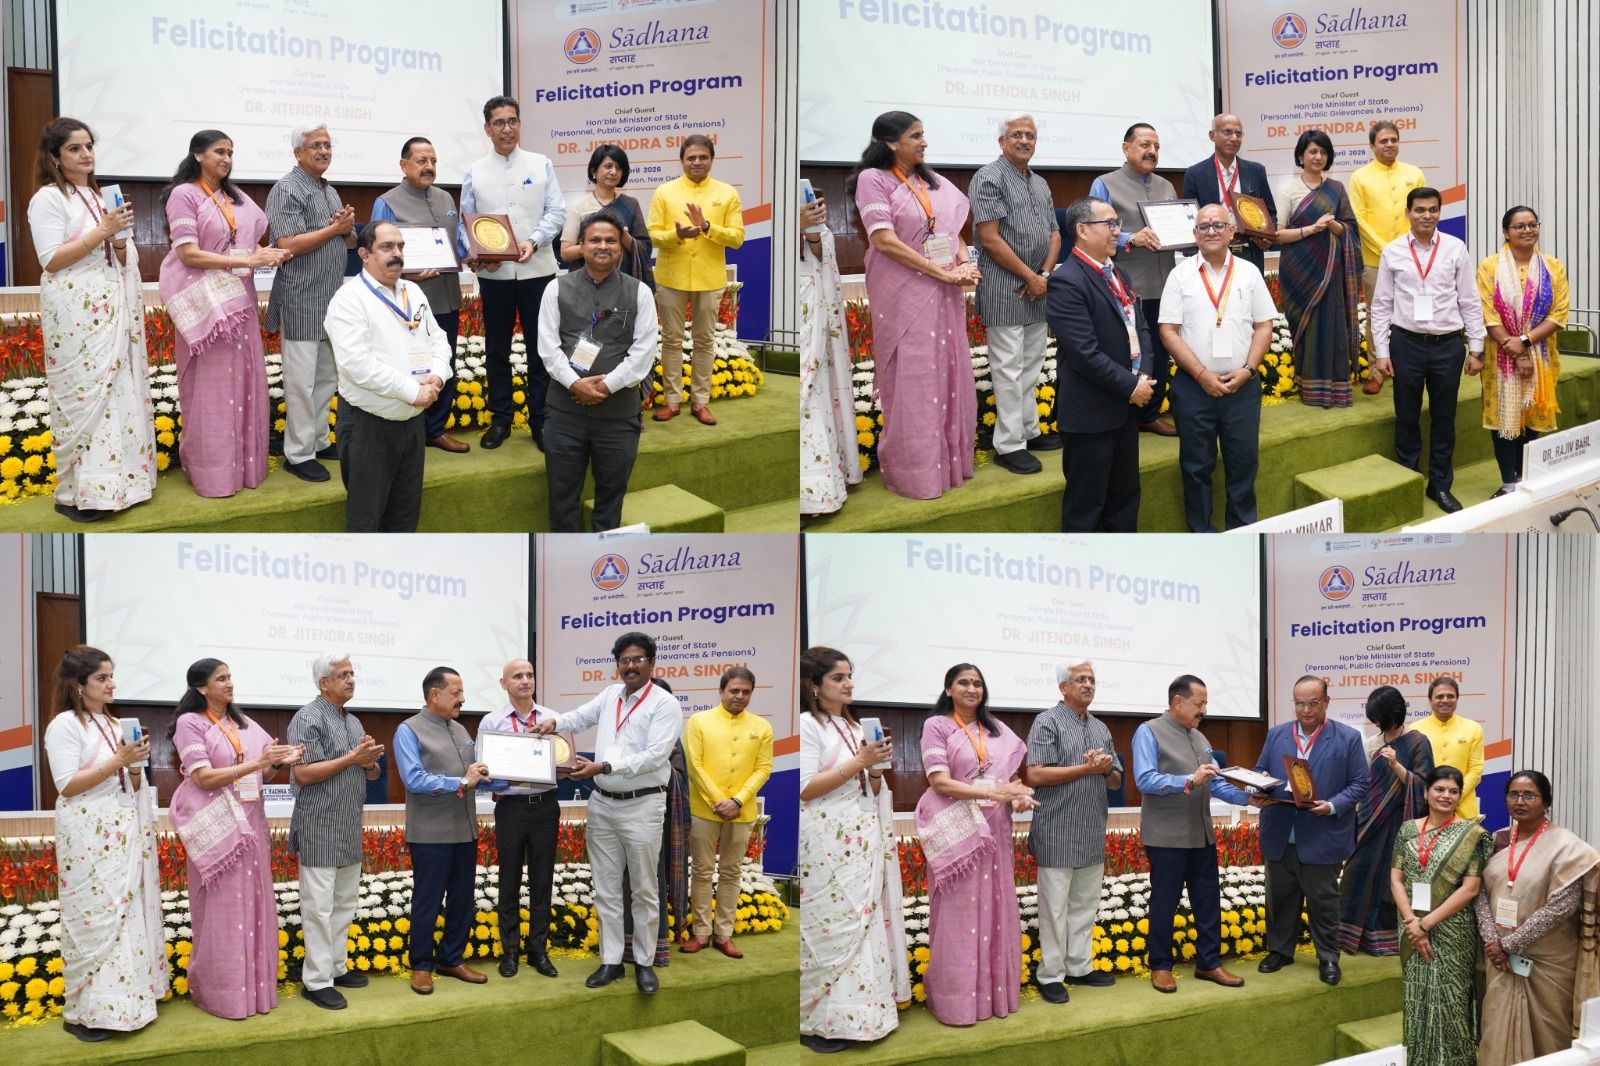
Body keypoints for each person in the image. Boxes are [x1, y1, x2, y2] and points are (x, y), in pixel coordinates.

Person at [26, 117, 156, 522]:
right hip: (77, 319)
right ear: (54, 157)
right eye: (75, 149)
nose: (86, 155)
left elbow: (120, 258)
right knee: (86, 399)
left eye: (89, 147)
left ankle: (123, 485)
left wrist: (118, 241)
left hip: (113, 313)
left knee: (119, 395)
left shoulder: (103, 197)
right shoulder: (48, 199)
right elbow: (51, 260)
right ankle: (83, 494)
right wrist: (103, 231)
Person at [539, 633, 683, 995]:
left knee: (645, 889)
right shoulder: (609, 696)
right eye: (624, 660)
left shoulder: (665, 704)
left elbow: (654, 756)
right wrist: (552, 724)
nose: (630, 666)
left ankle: (645, 963)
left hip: (643, 804)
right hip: (602, 803)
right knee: (605, 889)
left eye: (638, 659)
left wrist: (602, 766)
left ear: (651, 664)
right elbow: (579, 717)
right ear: (617, 664)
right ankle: (611, 961)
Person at [848, 111, 980, 499]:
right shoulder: (875, 180)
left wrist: (964, 262)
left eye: (924, 134)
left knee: (949, 373)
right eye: (915, 135)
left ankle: (950, 465)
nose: (924, 142)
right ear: (891, 143)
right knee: (914, 380)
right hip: (903, 292)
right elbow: (884, 241)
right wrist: (943, 273)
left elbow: (951, 232)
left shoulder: (931, 180)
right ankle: (915, 473)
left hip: (944, 292)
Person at [158, 129, 292, 497]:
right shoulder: (184, 195)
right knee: (211, 389)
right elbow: (187, 253)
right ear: (198, 155)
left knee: (246, 383)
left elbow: (260, 236)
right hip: (208, 308)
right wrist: (246, 259)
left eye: (231, 152)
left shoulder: (237, 197)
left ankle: (247, 469)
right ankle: (213, 474)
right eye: (219, 151)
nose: (227, 158)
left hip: (240, 302)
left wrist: (271, 254)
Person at [42, 646, 165, 1041]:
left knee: (126, 918)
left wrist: (132, 766)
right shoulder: (64, 726)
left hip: (122, 833)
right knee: (94, 920)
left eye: (112, 676)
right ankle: (87, 1012)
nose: (112, 684)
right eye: (102, 678)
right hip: (86, 838)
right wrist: (117, 762)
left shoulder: (115, 724)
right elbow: (67, 785)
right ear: (80, 685)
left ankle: (127, 1006)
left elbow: (129, 783)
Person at [169, 658, 303, 1019]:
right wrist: (257, 764)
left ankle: (255, 994)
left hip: (251, 824)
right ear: (201, 687)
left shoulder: (242, 723)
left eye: (230, 677)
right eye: (221, 678)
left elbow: (264, 772)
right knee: (222, 911)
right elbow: (203, 778)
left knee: (255, 908)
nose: (229, 683)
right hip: (218, 832)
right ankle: (220, 994)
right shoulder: (191, 723)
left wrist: (279, 760)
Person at [798, 647, 908, 1053]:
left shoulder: (852, 725)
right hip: (824, 843)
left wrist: (875, 769)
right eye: (838, 678)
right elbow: (804, 787)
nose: (849, 684)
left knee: (863, 925)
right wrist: (859, 761)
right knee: (830, 929)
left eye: (849, 676)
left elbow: (870, 787)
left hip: (859, 838)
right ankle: (817, 1021)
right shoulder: (808, 726)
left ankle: (864, 1017)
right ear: (814, 685)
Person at [917, 663, 1038, 1026]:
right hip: (956, 831)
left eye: (977, 683)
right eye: (963, 683)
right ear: (949, 689)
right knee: (958, 915)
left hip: (994, 830)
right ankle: (955, 1002)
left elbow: (1012, 780)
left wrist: (1016, 796)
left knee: (997, 910)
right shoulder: (936, 726)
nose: (971, 689)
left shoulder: (997, 730)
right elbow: (940, 782)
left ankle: (993, 998)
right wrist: (992, 791)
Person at [323, 220, 454, 532]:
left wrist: (436, 377)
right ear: (365, 254)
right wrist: (412, 391)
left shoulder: (414, 290)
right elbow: (357, 365)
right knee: (366, 523)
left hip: (412, 426)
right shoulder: (349, 299)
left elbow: (438, 340)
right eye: (387, 247)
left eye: (400, 247)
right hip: (369, 427)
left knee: (405, 518)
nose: (396, 254)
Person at [536, 210, 660, 532]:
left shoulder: (640, 292)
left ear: (621, 247)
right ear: (581, 245)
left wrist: (605, 388)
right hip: (565, 414)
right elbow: (548, 349)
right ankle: (565, 569)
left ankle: (603, 575)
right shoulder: (555, 289)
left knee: (610, 499)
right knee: (562, 499)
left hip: (618, 417)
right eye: (595, 240)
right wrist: (575, 384)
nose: (603, 246)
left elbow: (643, 353)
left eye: (610, 240)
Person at [1157, 204, 1276, 531]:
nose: (1211, 231)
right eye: (1204, 226)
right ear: (1194, 234)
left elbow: (1264, 325)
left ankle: (1242, 534)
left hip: (1243, 387)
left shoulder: (1249, 272)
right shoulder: (1179, 275)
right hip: (1194, 388)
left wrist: (1249, 370)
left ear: (1232, 231)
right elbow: (1168, 330)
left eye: (1218, 225)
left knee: (1243, 465)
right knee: (1196, 468)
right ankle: (1202, 536)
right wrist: (1201, 375)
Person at [1133, 675, 1252, 993]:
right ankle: (1160, 965)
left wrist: (1251, 796)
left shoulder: (1201, 738)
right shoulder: (1148, 732)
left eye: (1205, 704)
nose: (1204, 710)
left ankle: (1209, 963)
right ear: (1177, 702)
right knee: (1164, 903)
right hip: (1166, 837)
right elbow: (1145, 779)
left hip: (1201, 835)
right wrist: (1188, 779)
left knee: (1208, 901)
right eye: (1199, 704)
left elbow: (1218, 782)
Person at [1371, 187, 1486, 514]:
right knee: (1406, 416)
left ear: (1440, 212)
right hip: (1406, 344)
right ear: (1408, 213)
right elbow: (1381, 305)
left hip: (1447, 345)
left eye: (1432, 210)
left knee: (1444, 418)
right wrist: (1382, 351)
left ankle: (1440, 485)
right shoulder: (1392, 252)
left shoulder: (1455, 249)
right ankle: (1408, 480)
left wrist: (1475, 348)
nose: (1426, 216)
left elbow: (1469, 300)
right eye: (1419, 210)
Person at [460, 95, 565, 451]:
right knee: (496, 350)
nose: (507, 128)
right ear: (487, 129)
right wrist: (478, 255)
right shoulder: (474, 171)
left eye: (512, 121)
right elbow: (466, 223)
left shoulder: (541, 164)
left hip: (539, 271)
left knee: (541, 350)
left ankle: (540, 420)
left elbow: (556, 212)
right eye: (499, 122)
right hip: (495, 277)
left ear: (520, 124)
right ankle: (500, 419)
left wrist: (533, 241)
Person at [1249, 675, 1370, 985]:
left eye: (1313, 703)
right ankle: (1280, 951)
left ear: (1326, 702)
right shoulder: (1277, 735)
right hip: (1280, 832)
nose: (1305, 710)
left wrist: (1331, 805)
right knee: (1280, 899)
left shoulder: (1347, 738)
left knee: (1324, 902)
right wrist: (1260, 782)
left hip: (1322, 833)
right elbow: (1262, 769)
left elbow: (1360, 783)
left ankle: (1328, 956)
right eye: (1300, 703)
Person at [1476, 771, 1600, 1066]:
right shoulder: (1499, 840)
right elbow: (1479, 892)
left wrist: (1510, 944)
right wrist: (1493, 941)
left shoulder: (1567, 847)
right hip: (1500, 960)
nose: (1520, 801)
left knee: (1549, 1030)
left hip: (1547, 962)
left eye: (1529, 795)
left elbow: (1561, 908)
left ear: (1546, 802)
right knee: (1496, 1025)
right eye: (1513, 794)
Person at [1047, 196, 1155, 532]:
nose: (1116, 231)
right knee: (1087, 507)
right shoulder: (1067, 280)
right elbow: (1084, 353)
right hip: (1091, 414)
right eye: (1108, 224)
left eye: (1117, 224)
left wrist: (1143, 376)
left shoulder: (1118, 272)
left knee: (1124, 500)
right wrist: (1130, 386)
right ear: (1081, 230)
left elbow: (1141, 330)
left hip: (1125, 407)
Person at [394, 666, 501, 994]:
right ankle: (422, 965)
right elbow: (413, 779)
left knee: (462, 900)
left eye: (462, 692)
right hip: (430, 834)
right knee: (427, 900)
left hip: (464, 831)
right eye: (456, 693)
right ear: (433, 694)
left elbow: (476, 776)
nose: (463, 699)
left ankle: (451, 958)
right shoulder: (408, 730)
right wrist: (462, 781)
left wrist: (516, 775)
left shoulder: (459, 730)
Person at [286, 653, 384, 1010]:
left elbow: (368, 773)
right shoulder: (307, 718)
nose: (351, 679)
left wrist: (371, 762)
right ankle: (316, 981)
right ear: (323, 682)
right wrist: (353, 758)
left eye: (353, 673)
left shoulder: (354, 722)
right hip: (319, 825)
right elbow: (303, 773)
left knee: (344, 904)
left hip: (347, 825)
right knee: (318, 908)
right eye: (343, 674)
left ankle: (336, 967)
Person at [1022, 660, 1122, 1004]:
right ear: (1063, 687)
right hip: (1056, 829)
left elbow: (1116, 780)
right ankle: (1050, 975)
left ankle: (1079, 967)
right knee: (1054, 909)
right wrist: (1087, 767)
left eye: (1092, 679)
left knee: (1084, 905)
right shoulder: (1046, 722)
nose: (1088, 684)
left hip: (1092, 828)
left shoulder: (1101, 728)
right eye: (1080, 679)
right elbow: (1034, 775)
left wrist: (1107, 769)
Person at [265, 122, 357, 483]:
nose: (323, 151)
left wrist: (346, 228)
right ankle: (298, 454)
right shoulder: (286, 190)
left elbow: (344, 243)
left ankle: (318, 439)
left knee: (325, 377)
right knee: (301, 382)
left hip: (332, 300)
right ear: (297, 153)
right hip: (302, 298)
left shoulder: (330, 191)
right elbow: (286, 245)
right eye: (315, 145)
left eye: (328, 145)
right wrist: (334, 230)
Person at [971, 113, 1062, 475]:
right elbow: (990, 239)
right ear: (1002, 141)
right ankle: (1008, 446)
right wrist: (1031, 276)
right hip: (1004, 287)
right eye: (1017, 135)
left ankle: (1027, 430)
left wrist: (1042, 275)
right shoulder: (988, 177)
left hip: (1037, 287)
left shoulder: (1039, 182)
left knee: (1031, 364)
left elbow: (1055, 235)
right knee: (1008, 368)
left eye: (1030, 135)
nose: (1024, 140)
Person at [371, 136, 469, 453]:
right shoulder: (387, 201)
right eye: (421, 161)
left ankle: (435, 429)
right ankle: (404, 429)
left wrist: (479, 255)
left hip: (446, 297)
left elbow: (457, 248)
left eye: (434, 161)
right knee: (406, 363)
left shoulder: (446, 199)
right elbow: (376, 254)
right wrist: (408, 272)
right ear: (404, 165)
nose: (429, 167)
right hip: (404, 300)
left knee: (443, 361)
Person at [1389, 767, 1492, 1066]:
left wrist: (1425, 924)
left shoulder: (1472, 835)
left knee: (1451, 999)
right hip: (1410, 926)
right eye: (1440, 789)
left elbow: (1471, 889)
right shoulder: (1408, 829)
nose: (1446, 796)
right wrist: (1412, 922)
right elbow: (1396, 879)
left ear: (1460, 795)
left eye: (1453, 791)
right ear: (1426, 792)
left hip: (1453, 929)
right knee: (1417, 996)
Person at [647, 134, 744, 425]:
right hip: (671, 276)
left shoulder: (727, 194)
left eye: (703, 157)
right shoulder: (665, 192)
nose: (697, 162)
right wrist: (677, 235)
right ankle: (672, 401)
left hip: (709, 277)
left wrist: (707, 227)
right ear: (682, 160)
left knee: (704, 341)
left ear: (712, 159)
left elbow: (737, 238)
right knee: (671, 341)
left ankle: (701, 402)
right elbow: (652, 234)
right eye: (691, 157)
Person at [1472, 206, 1569, 495]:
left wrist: (1525, 342)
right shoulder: (1489, 266)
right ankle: (1507, 483)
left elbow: (1559, 313)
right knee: (1504, 417)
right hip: (1500, 357)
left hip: (1541, 355)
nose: (1527, 230)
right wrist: (1516, 351)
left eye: (1532, 224)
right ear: (1506, 232)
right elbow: (1487, 314)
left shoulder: (1553, 266)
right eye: (1519, 226)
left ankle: (1526, 478)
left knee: (1532, 413)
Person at [1090, 123, 1178, 436]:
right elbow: (1093, 227)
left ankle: (1150, 412)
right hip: (1124, 287)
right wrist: (1130, 238)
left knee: (1159, 348)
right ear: (1126, 148)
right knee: (1126, 350)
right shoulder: (1104, 184)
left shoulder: (1167, 186)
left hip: (1165, 283)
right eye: (1143, 144)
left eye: (1156, 145)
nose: (1151, 151)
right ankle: (1124, 413)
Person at [682, 668, 773, 958]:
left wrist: (737, 800)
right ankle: (700, 933)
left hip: (741, 811)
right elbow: (694, 765)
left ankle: (724, 934)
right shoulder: (699, 721)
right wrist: (718, 800)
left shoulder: (762, 727)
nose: (739, 696)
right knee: (702, 870)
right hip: (703, 809)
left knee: (732, 871)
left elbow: (763, 768)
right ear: (721, 691)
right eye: (734, 690)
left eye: (746, 691)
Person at [1336, 686, 1434, 956]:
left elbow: (1424, 786)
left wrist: (1396, 766)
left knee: (1388, 882)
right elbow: (1364, 785)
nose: (1376, 723)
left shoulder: (1417, 742)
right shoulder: (1371, 744)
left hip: (1400, 823)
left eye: (1379, 717)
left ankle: (1384, 940)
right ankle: (1347, 936)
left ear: (1394, 714)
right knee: (1356, 873)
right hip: (1369, 821)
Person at [479, 658, 561, 979]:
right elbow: (483, 770)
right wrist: (505, 778)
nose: (525, 681)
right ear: (504, 684)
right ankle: (510, 951)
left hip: (546, 807)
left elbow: (565, 760)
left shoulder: (553, 719)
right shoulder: (492, 722)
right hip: (511, 808)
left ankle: (538, 951)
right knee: (509, 879)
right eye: (517, 676)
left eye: (529, 675)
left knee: (543, 880)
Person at [1274, 129, 1363, 408]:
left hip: (1330, 270)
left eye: (1323, 152)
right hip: (1298, 269)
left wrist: (1333, 225)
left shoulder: (1336, 188)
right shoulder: (1288, 188)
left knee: (1330, 324)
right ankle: (1309, 387)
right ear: (1301, 156)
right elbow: (1277, 234)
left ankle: (1334, 389)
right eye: (1312, 151)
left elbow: (1349, 229)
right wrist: (1311, 229)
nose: (1318, 156)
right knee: (1305, 325)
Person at [1349, 121, 1426, 394]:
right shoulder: (1360, 177)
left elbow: (1422, 211)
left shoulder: (1414, 173)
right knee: (1376, 314)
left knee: (1416, 309)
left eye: (1393, 139)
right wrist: (1387, 248)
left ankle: (1413, 366)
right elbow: (1358, 219)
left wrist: (1407, 250)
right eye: (1383, 141)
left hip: (1414, 258)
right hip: (1374, 258)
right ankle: (1377, 371)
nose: (1389, 144)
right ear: (1372, 145)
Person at [799, 193, 862, 515]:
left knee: (813, 395)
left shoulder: (816, 223)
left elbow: (823, 260)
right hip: (790, 311)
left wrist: (808, 230)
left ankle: (817, 492)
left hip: (814, 316)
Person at [1182, 114, 1277, 274]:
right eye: (1227, 132)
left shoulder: (1256, 171)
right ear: (1212, 135)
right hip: (1211, 256)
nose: (1234, 138)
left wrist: (1267, 238)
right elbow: (1189, 218)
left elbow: (1270, 213)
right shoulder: (1195, 174)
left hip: (1249, 253)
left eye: (1238, 134)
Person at [558, 144, 652, 287]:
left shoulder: (630, 204)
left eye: (618, 167)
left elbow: (645, 248)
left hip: (622, 284)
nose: (613, 172)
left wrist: (624, 237)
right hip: (585, 285)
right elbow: (566, 253)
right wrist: (596, 248)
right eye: (608, 166)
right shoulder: (579, 207)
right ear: (594, 171)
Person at [1408, 677, 1484, 820]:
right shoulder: (1415, 730)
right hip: (1426, 811)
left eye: (1450, 696)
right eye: (1439, 696)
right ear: (1430, 700)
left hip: (1463, 811)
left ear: (1457, 699)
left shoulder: (1473, 728)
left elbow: (1476, 769)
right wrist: (1432, 798)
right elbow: (1413, 772)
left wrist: (1455, 796)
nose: (1445, 700)